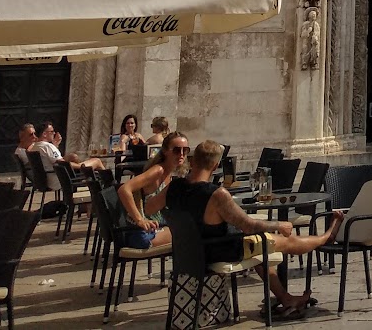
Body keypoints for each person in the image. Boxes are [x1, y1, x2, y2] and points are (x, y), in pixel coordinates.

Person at [163, 139, 346, 317]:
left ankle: (285, 297)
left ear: (192, 160)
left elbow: (150, 207)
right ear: (216, 164)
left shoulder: (174, 187)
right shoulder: (217, 194)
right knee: (285, 240)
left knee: (260, 248)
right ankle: (326, 237)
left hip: (190, 252)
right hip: (221, 250)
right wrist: (279, 224)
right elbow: (249, 225)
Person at [115, 130, 190, 251]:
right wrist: (140, 220)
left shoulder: (170, 173)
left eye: (185, 150)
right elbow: (124, 189)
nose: (181, 154)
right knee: (191, 233)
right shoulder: (158, 170)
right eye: (176, 150)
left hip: (154, 229)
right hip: (142, 235)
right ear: (165, 151)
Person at [31, 121, 105, 173]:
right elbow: (61, 163)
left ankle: (87, 176)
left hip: (49, 175)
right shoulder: (47, 146)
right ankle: (108, 185)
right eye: (51, 131)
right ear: (44, 134)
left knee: (73, 156)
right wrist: (80, 166)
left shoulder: (36, 146)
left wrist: (55, 145)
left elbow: (52, 158)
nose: (54, 133)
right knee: (97, 161)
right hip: (58, 178)